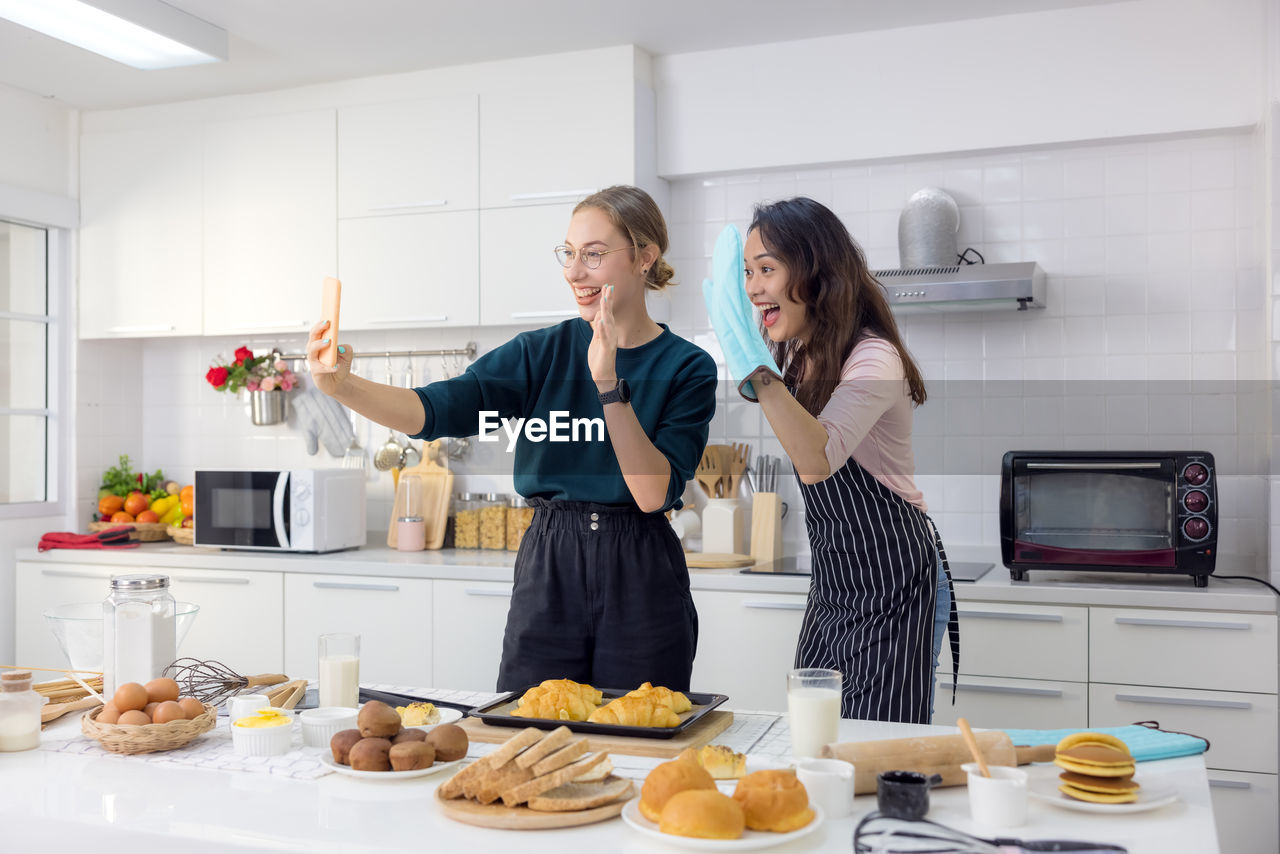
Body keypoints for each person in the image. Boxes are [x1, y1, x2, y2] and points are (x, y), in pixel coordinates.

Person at [307, 185, 717, 692]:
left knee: (642, 734)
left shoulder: (687, 367)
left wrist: (608, 384)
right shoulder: (540, 353)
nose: (574, 271)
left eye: (593, 254)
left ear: (645, 257)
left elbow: (653, 493)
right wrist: (341, 385)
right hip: (551, 564)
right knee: (525, 733)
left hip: (640, 570)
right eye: (569, 254)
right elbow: (434, 409)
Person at [703, 197, 957, 724]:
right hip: (835, 582)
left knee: (878, 743)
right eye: (747, 273)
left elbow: (817, 458)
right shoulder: (798, 355)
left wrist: (757, 369)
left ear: (817, 272)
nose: (752, 288)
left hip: (895, 582)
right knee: (812, 731)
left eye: (767, 269)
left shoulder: (874, 358)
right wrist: (758, 364)